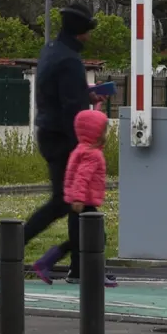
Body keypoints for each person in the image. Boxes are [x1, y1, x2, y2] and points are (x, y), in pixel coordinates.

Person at [15, 2, 98, 283]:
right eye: (87, 31)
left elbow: (59, 92)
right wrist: (83, 148)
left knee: (72, 201)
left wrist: (87, 93)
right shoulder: (71, 61)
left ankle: (78, 265)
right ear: (80, 32)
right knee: (73, 200)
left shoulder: (51, 51)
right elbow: (71, 110)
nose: (89, 37)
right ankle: (16, 244)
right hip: (65, 139)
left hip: (48, 134)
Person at [34, 108, 117, 287]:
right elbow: (82, 176)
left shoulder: (81, 148)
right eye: (103, 131)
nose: (105, 134)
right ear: (95, 133)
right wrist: (79, 198)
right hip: (83, 204)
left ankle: (66, 269)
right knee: (96, 239)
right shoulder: (92, 154)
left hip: (77, 203)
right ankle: (94, 274)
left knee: (77, 241)